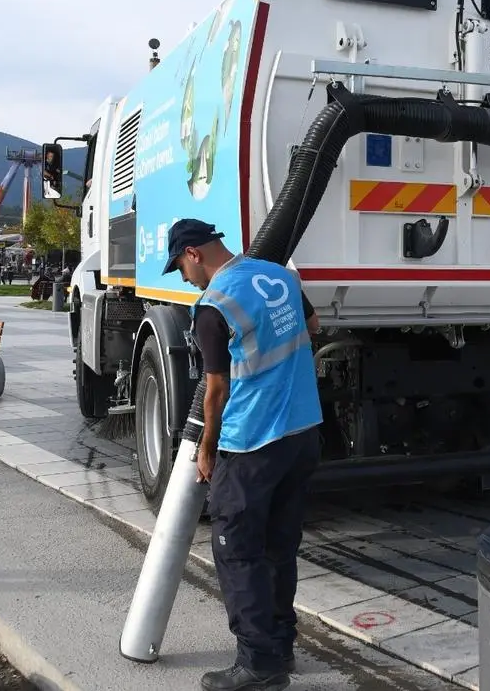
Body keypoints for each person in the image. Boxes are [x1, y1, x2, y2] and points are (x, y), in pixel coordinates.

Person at [162, 218, 323, 691]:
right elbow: (313, 326)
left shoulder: (214, 306)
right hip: (302, 432)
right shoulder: (279, 275)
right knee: (279, 547)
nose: (186, 279)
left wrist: (207, 449)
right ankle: (280, 647)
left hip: (251, 442)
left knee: (237, 550)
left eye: (181, 268)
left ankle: (258, 664)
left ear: (193, 253)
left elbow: (215, 391)